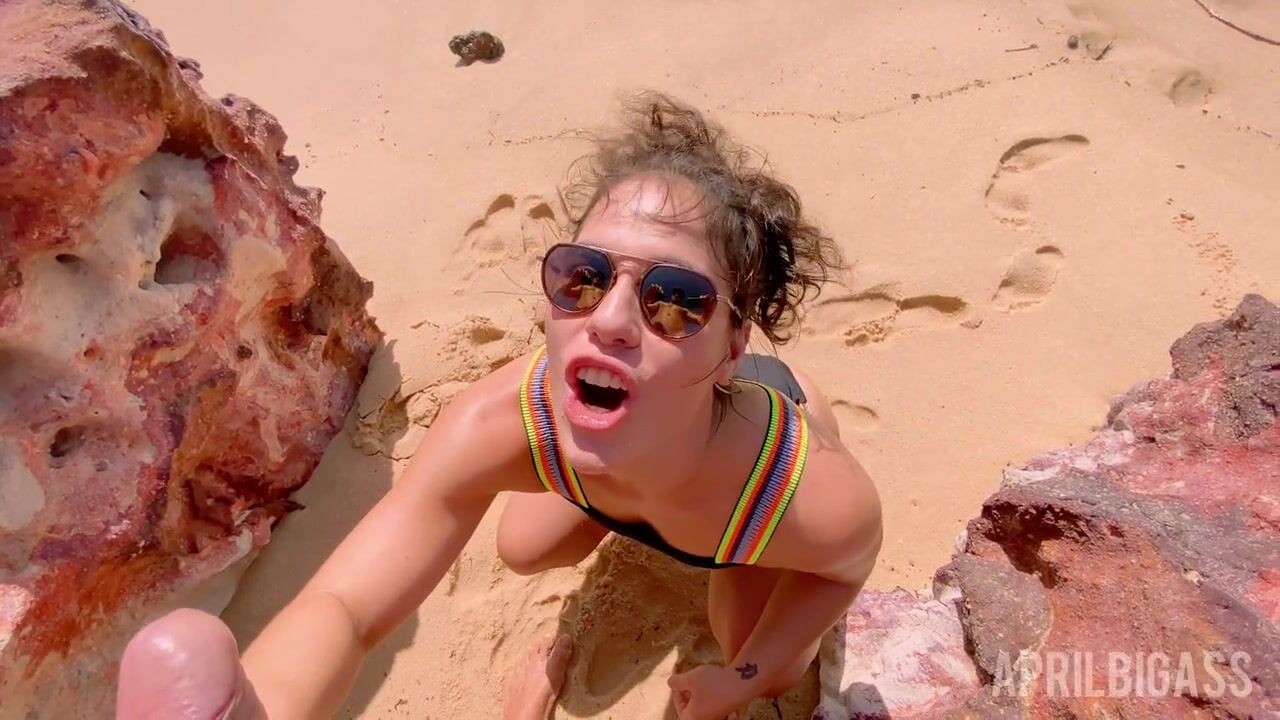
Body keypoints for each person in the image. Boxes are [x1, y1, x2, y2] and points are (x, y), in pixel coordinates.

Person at [115, 92, 883, 720]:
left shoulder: (800, 492)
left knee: (760, 651)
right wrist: (260, 709)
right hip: (639, 450)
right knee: (523, 547)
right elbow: (347, 605)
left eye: (675, 300)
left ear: (732, 346)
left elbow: (841, 571)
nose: (611, 320)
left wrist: (744, 675)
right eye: (584, 277)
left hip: (734, 510)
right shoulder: (501, 424)